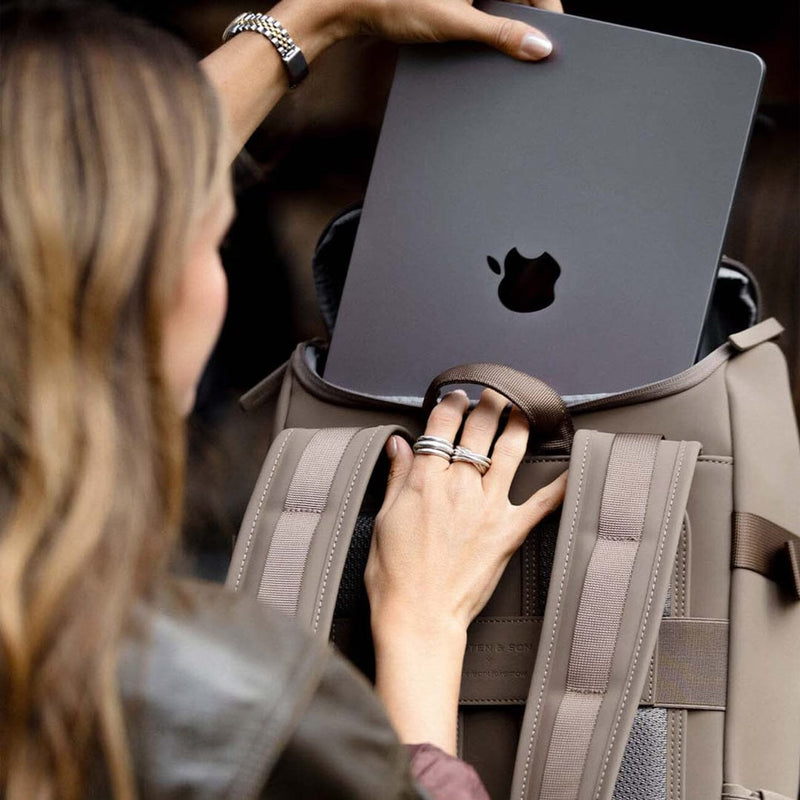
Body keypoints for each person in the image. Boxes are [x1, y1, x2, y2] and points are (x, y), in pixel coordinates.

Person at [0, 0, 566, 797]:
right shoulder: (238, 702)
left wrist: (317, 19)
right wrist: (421, 625)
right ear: (154, 287)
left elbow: (78, 199)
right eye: (211, 235)